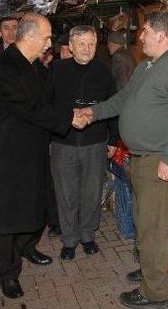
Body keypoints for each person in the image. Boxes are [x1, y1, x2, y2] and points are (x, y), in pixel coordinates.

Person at [76, 12, 168, 308]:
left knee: (152, 227)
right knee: (143, 222)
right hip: (141, 159)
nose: (139, 36)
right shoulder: (146, 66)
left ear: (160, 34)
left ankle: (156, 294)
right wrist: (92, 112)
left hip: (160, 160)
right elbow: (122, 100)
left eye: (144, 31)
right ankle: (150, 271)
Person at [0, 12, 85, 299]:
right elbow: (28, 107)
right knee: (6, 214)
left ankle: (27, 248)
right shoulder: (3, 67)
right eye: (47, 37)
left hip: (31, 150)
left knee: (32, 205)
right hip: (6, 155)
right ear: (30, 36)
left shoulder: (34, 65)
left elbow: (46, 99)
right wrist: (69, 118)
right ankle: (8, 273)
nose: (50, 43)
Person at [47, 25, 118, 260]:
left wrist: (113, 139)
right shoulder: (56, 69)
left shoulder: (105, 71)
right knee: (66, 194)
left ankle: (88, 236)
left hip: (95, 142)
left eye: (91, 44)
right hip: (63, 142)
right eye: (82, 44)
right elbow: (47, 105)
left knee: (91, 192)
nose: (87, 49)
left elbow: (114, 106)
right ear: (71, 45)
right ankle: (69, 240)